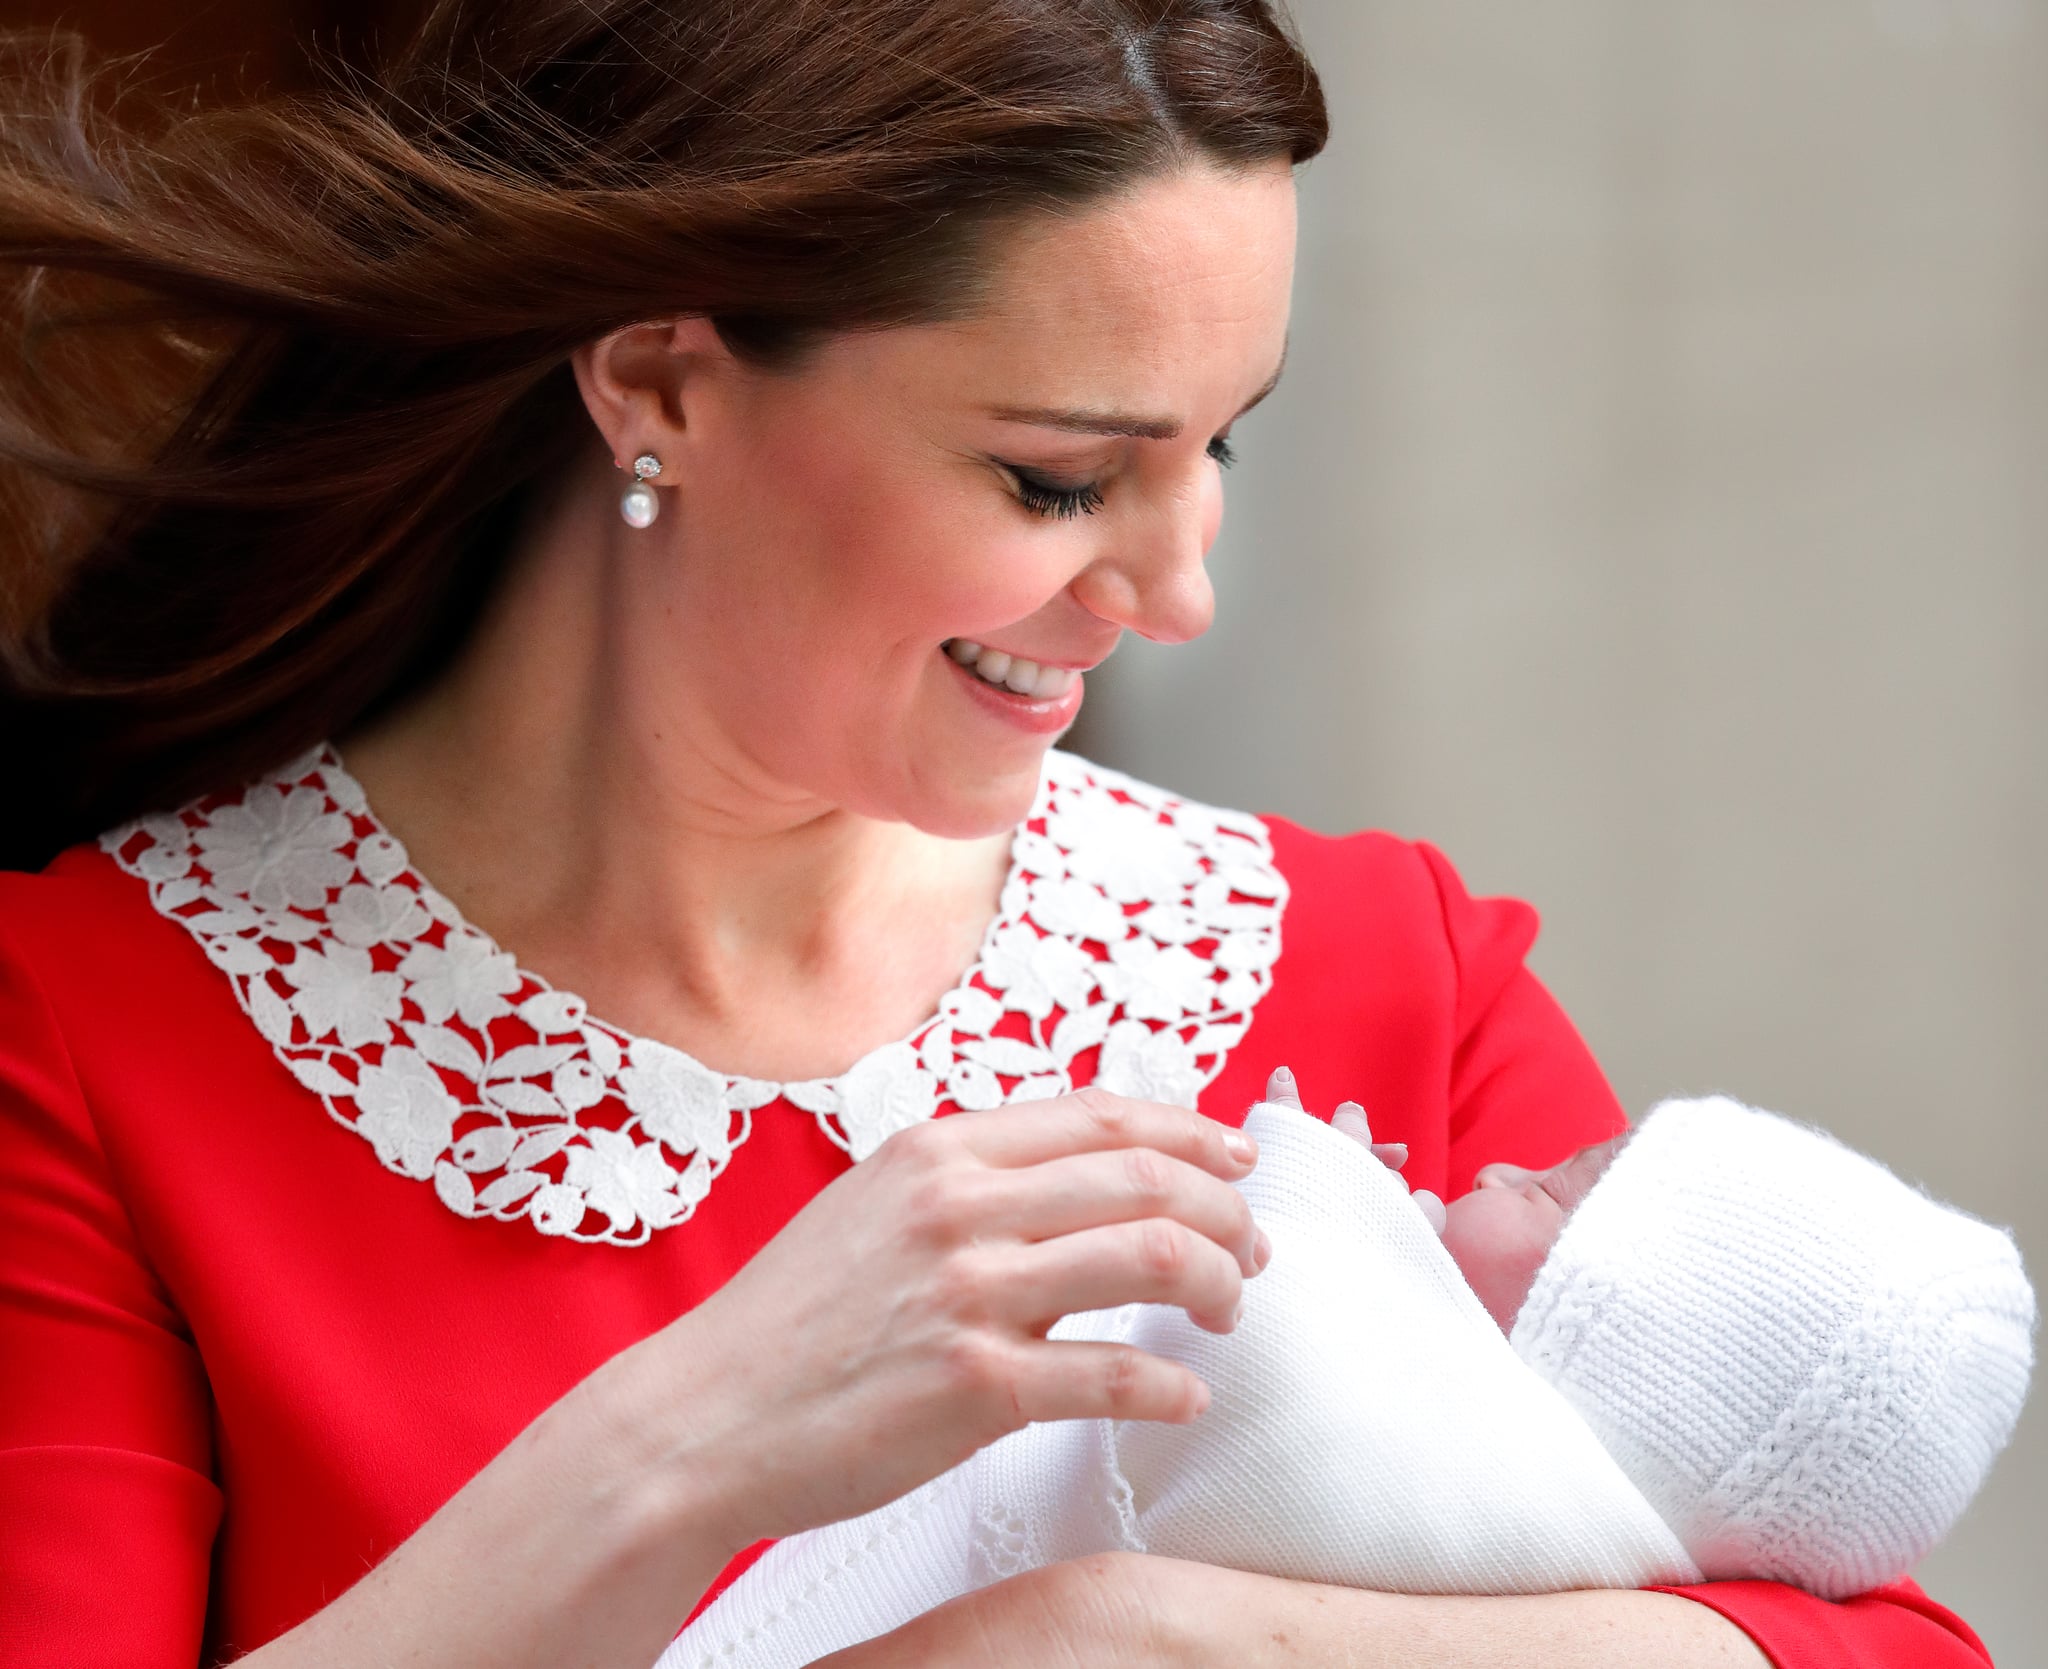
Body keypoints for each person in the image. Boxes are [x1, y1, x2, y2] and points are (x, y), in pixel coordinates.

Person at [0, 4, 1999, 1666]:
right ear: (657, 386)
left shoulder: (1373, 966)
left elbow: (1888, 1643)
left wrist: (1136, 1632)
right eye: (1058, 477)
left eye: (1214, 448)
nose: (1177, 585)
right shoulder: (82, 1037)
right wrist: (687, 1439)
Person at [662, 1085, 2033, 1667]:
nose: (1496, 1166)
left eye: (1551, 1195)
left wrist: (1317, 1205)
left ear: (1610, 1351)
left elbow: (1260, 1385)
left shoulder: (1497, 1512)